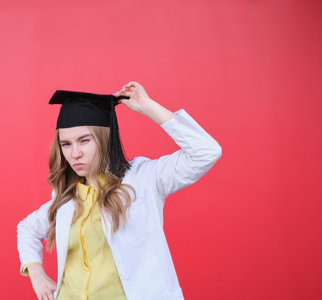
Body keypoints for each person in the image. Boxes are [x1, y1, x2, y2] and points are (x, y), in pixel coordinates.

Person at [17, 81, 222, 300]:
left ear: (105, 139)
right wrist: (36, 272)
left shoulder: (142, 179)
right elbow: (27, 228)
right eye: (66, 144)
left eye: (84, 140)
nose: (74, 153)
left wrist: (147, 106)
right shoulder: (67, 198)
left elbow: (206, 152)